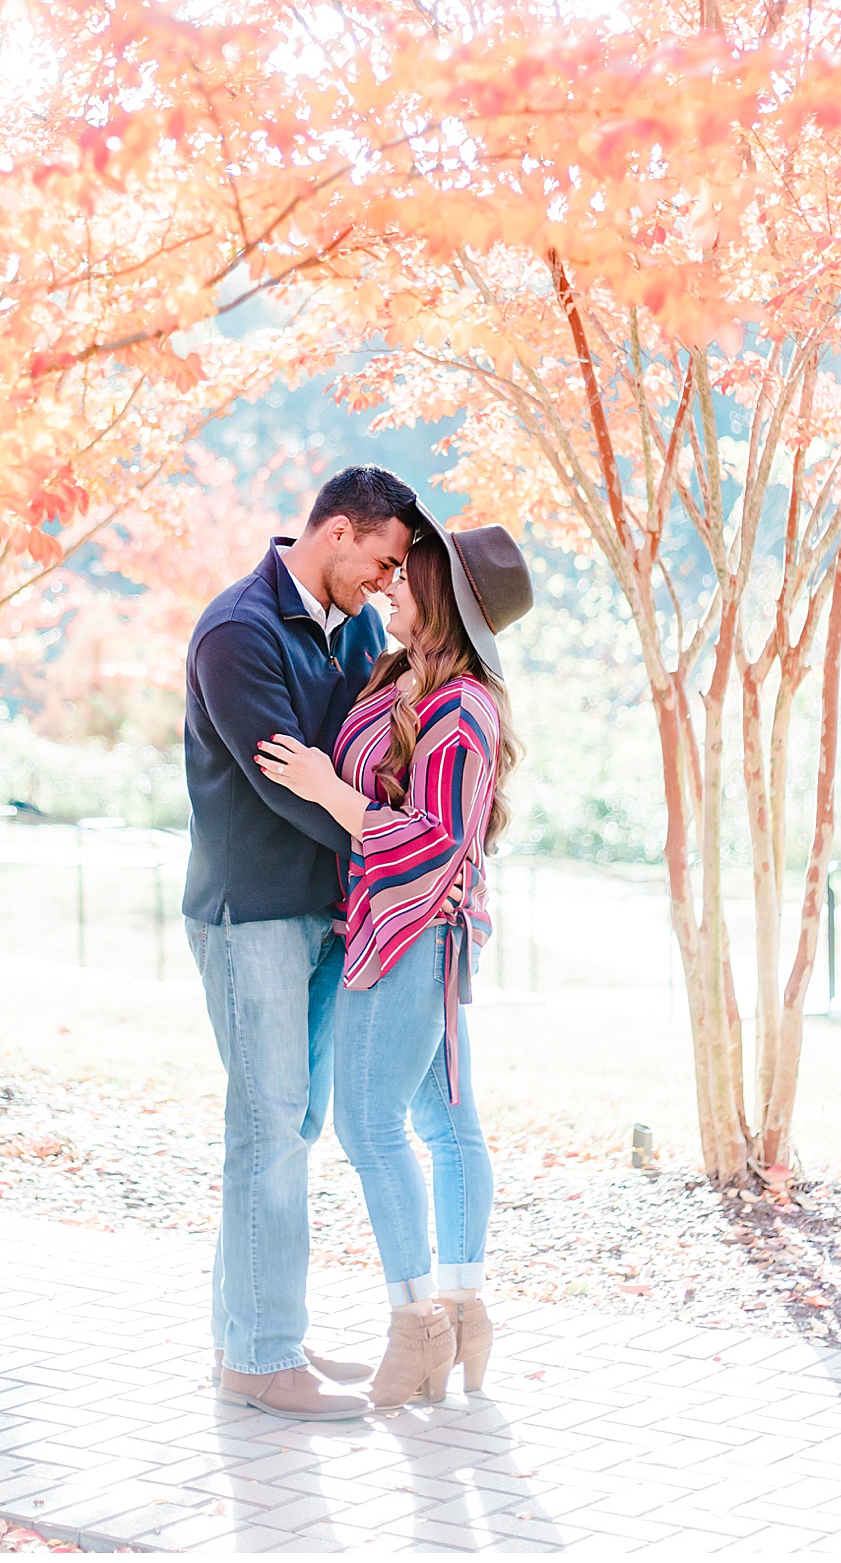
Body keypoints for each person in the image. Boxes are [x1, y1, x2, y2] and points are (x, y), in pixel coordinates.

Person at [257, 512, 531, 1407]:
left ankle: (420, 1327)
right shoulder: (401, 673)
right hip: (407, 925)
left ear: (444, 597)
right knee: (444, 1121)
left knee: (370, 1126)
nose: (389, 583)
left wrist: (331, 793)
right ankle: (461, 1310)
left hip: (411, 932)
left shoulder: (462, 707)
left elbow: (436, 838)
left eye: (405, 573)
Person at [182, 465, 422, 1422]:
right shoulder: (238, 631)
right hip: (255, 918)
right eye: (384, 558)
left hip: (323, 912)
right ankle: (261, 1355)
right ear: (336, 534)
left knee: (291, 1130)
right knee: (269, 1132)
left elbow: (350, 761)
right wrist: (382, 828)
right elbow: (288, 783)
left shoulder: (356, 627)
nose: (387, 580)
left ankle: (255, 1326)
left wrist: (359, 798)